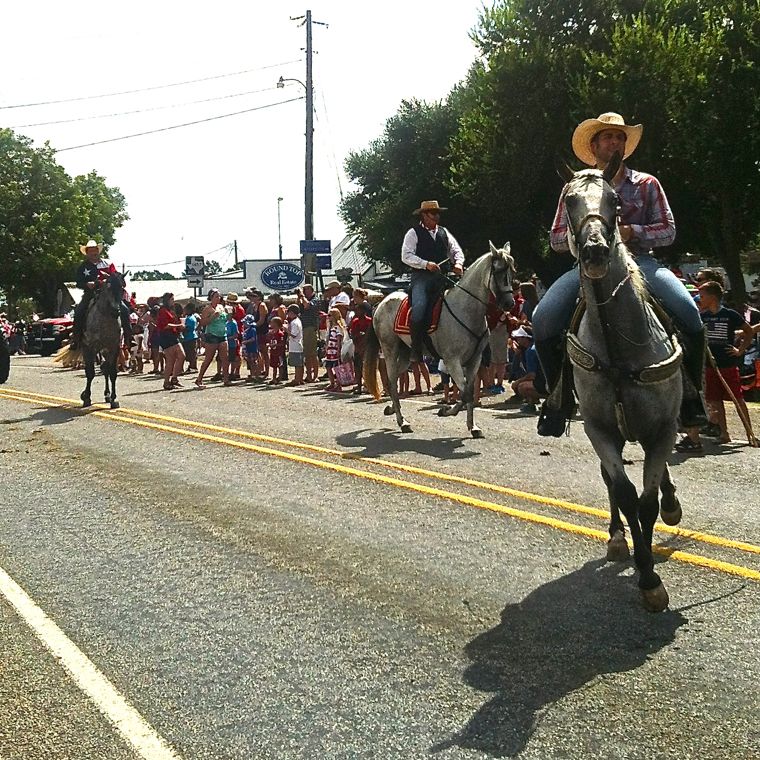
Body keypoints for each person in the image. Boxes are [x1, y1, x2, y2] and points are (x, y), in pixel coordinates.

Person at [533, 112, 707, 436]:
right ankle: (557, 400)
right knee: (542, 319)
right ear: (594, 145)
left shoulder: (647, 184)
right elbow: (556, 237)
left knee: (689, 313)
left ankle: (692, 401)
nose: (614, 143)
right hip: (587, 266)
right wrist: (581, 236)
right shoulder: (574, 187)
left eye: (619, 138)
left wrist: (632, 231)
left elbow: (668, 230)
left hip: (642, 263)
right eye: (608, 138)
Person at [676, 281, 755, 452]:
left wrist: (740, 349)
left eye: (703, 296)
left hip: (727, 363)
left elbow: (748, 331)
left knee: (738, 399)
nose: (700, 299)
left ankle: (750, 434)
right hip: (710, 365)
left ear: (712, 297)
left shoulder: (730, 314)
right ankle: (724, 433)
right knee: (715, 400)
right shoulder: (702, 317)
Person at [401, 200, 465, 361]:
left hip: (443, 276)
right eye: (433, 213)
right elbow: (406, 255)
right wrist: (425, 264)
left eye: (438, 213)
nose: (437, 216)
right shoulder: (413, 233)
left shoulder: (444, 232)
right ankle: (416, 347)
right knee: (420, 307)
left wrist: (458, 263)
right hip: (421, 277)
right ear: (424, 215)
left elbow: (456, 250)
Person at [71, 240, 133, 350]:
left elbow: (116, 278)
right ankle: (76, 338)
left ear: (98, 251)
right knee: (79, 311)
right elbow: (78, 283)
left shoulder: (108, 264)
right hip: (91, 294)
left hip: (109, 293)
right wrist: (86, 284)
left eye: (95, 250)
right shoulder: (83, 267)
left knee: (124, 309)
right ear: (87, 253)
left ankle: (129, 337)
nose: (93, 253)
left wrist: (111, 277)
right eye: (90, 251)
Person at [195, 289, 230, 388]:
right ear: (211, 298)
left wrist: (229, 313)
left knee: (225, 358)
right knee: (209, 358)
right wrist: (212, 317)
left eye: (219, 296)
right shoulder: (207, 309)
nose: (218, 298)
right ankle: (199, 379)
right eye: (216, 296)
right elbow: (202, 323)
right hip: (212, 335)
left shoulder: (221, 307)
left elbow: (226, 319)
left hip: (222, 334)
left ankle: (226, 379)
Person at [509, 326, 543, 414]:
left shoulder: (530, 351)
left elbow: (532, 375)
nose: (517, 340)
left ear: (525, 338)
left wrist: (517, 382)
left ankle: (532, 403)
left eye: (519, 338)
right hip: (546, 381)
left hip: (543, 383)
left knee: (521, 387)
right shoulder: (535, 346)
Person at [155, 293, 185, 390]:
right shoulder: (163, 310)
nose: (173, 301)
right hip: (166, 336)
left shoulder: (171, 310)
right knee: (171, 360)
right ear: (167, 300)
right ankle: (167, 381)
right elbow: (165, 325)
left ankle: (174, 378)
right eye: (171, 299)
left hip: (173, 335)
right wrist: (178, 326)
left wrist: (179, 325)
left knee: (181, 356)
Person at [296, 284, 320, 382]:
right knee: (306, 354)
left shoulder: (316, 299)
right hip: (303, 328)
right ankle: (308, 374)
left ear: (310, 290)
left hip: (310, 328)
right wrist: (299, 297)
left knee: (312, 353)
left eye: (305, 290)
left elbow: (307, 305)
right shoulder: (303, 299)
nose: (304, 292)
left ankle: (315, 375)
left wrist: (302, 296)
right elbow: (298, 308)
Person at [348, 302, 372, 395]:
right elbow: (353, 335)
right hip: (358, 347)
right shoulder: (355, 322)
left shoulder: (369, 321)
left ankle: (369, 386)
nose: (356, 311)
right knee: (358, 369)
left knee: (368, 369)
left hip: (367, 348)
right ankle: (359, 387)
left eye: (358, 310)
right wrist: (358, 336)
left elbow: (371, 335)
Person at [324, 307, 345, 391]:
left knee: (337, 368)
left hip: (335, 349)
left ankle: (338, 384)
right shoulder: (330, 327)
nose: (328, 317)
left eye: (330, 315)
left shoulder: (338, 327)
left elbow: (339, 339)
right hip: (330, 349)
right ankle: (332, 382)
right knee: (328, 366)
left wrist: (339, 350)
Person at [286, 304, 305, 386]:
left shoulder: (294, 322)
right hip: (297, 345)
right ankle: (299, 378)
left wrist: (286, 330)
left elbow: (294, 334)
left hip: (295, 345)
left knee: (297, 364)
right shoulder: (297, 321)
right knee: (299, 363)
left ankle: (297, 379)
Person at [266, 315, 286, 385]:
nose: (271, 324)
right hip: (273, 352)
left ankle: (280, 378)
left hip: (279, 353)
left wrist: (274, 345)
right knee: (274, 366)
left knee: (280, 366)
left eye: (272, 322)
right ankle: (274, 378)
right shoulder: (272, 333)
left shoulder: (280, 334)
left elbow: (282, 343)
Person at [241, 314, 259, 381]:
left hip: (252, 348)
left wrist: (246, 342)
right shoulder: (246, 330)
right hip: (248, 349)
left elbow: (253, 339)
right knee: (250, 363)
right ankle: (252, 375)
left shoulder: (252, 329)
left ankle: (256, 374)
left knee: (253, 362)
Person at [181, 303, 199, 372]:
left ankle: (193, 366)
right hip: (189, 337)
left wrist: (182, 328)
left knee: (191, 353)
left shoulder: (190, 319)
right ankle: (191, 366)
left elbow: (187, 328)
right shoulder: (190, 317)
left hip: (190, 338)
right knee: (190, 352)